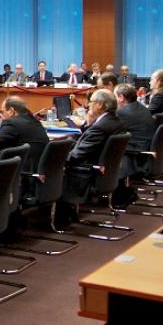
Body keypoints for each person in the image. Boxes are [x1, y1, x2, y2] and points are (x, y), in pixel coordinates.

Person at [57, 89, 125, 227]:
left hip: (85, 173)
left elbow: (77, 156)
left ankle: (61, 216)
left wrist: (56, 159)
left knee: (52, 164)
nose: (88, 105)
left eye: (91, 102)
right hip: (105, 172)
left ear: (100, 104)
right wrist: (88, 124)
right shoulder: (115, 121)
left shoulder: (100, 127)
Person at [0, 96, 49, 166]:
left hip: (21, 168)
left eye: (3, 111)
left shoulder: (12, 123)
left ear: (11, 111)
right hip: (37, 167)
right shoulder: (34, 121)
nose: (1, 115)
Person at [115, 84, 156, 180]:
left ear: (121, 98)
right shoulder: (143, 108)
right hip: (145, 147)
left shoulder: (122, 113)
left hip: (135, 152)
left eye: (115, 96)